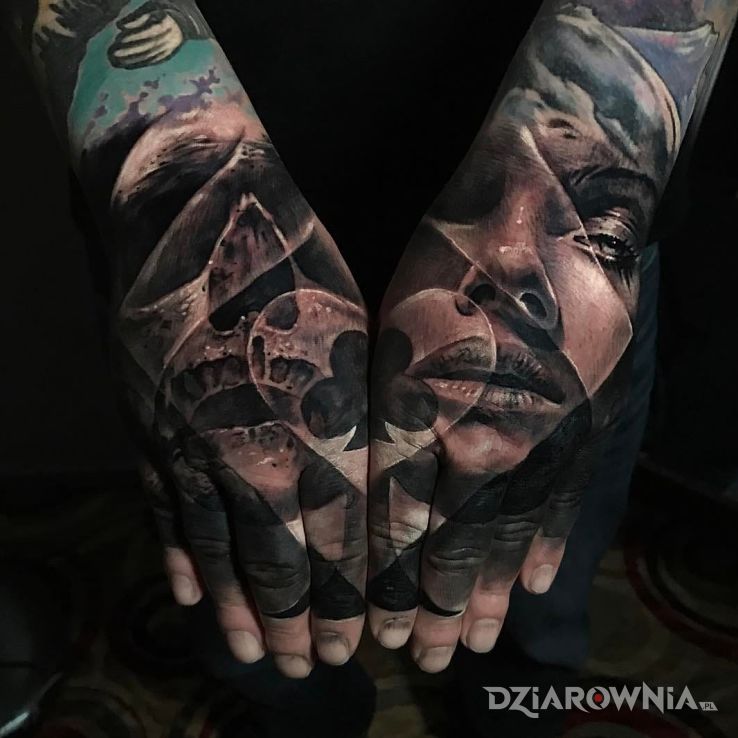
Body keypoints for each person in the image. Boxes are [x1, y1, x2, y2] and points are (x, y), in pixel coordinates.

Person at [2, 1, 735, 736]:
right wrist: (181, 191)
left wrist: (593, 211)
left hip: (586, 210)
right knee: (258, 578)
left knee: (527, 569)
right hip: (181, 246)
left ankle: (515, 705)